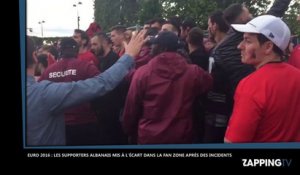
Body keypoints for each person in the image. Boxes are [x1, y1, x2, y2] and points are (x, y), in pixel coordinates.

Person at [26, 30, 146, 146]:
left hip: (62, 126)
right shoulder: (43, 92)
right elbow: (101, 84)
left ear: (60, 51)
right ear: (34, 57)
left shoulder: (48, 72)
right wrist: (129, 56)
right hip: (84, 123)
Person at [122, 31, 213, 144]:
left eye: (154, 45)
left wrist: (128, 131)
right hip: (182, 136)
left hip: (149, 137)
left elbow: (131, 108)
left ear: (162, 48)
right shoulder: (193, 72)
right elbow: (209, 83)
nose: (151, 48)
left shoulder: (142, 74)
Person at [225, 15, 300, 143]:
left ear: (268, 47)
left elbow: (233, 142)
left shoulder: (250, 85)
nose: (239, 46)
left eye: (247, 41)